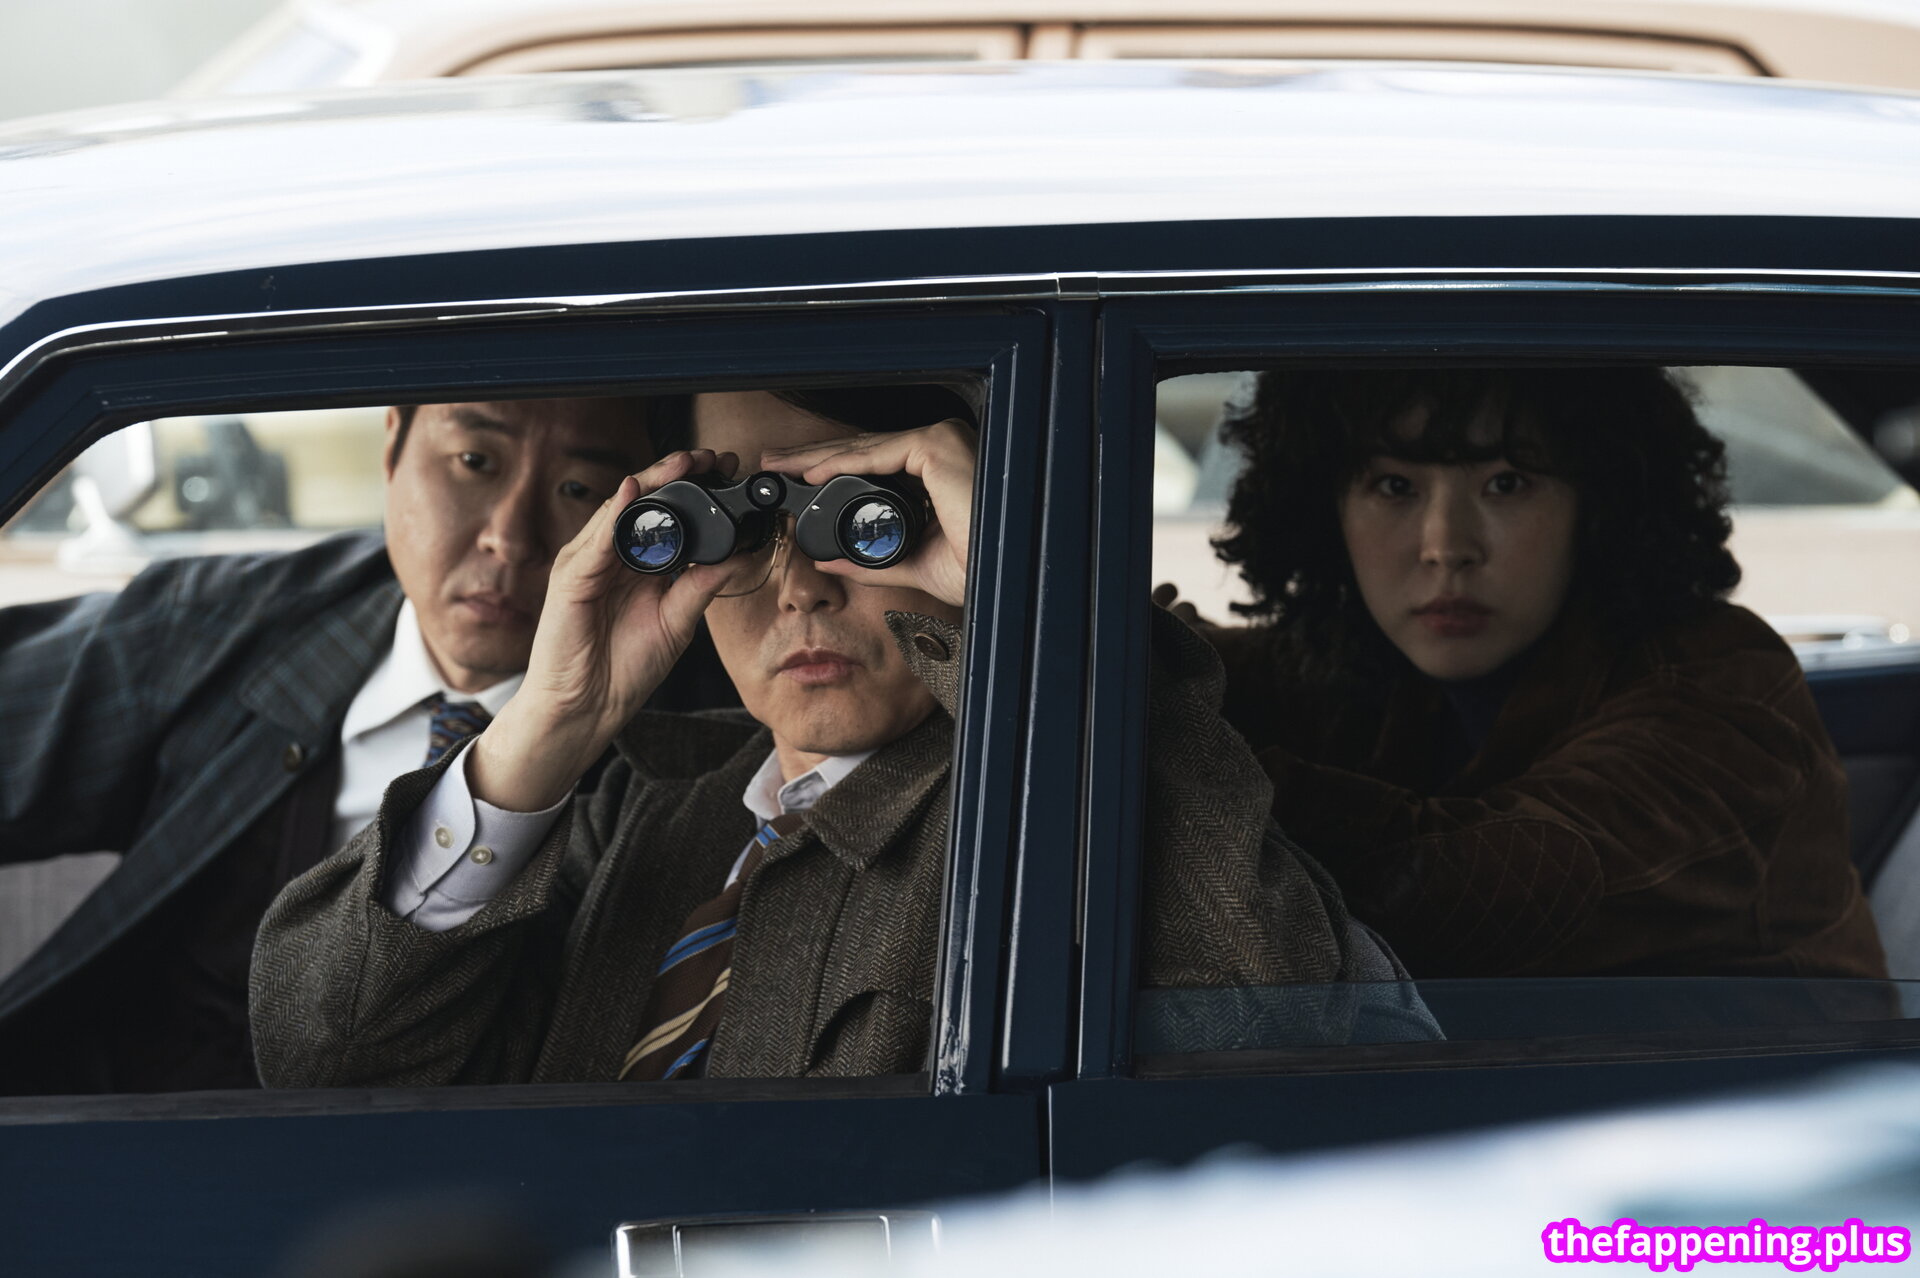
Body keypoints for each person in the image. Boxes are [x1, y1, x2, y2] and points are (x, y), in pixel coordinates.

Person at [250, 385, 1390, 1088]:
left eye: (862, 516)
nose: (800, 585)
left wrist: (1036, 603)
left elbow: (1268, 1029)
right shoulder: (633, 809)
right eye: (744, 526)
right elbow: (323, 1056)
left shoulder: (1059, 786)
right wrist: (545, 728)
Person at [0, 396, 665, 1094]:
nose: (510, 537)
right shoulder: (227, 624)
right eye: (475, 461)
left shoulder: (684, 760)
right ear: (393, 445)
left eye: (579, 490)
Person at [1191, 367, 1886, 979]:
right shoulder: (1360, 662)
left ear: (1597, 501)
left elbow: (1479, 895)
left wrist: (1187, 774)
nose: (1446, 546)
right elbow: (1194, 668)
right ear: (1326, 507)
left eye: (1507, 483)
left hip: (1771, 1089)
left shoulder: (1723, 685)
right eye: (1395, 485)